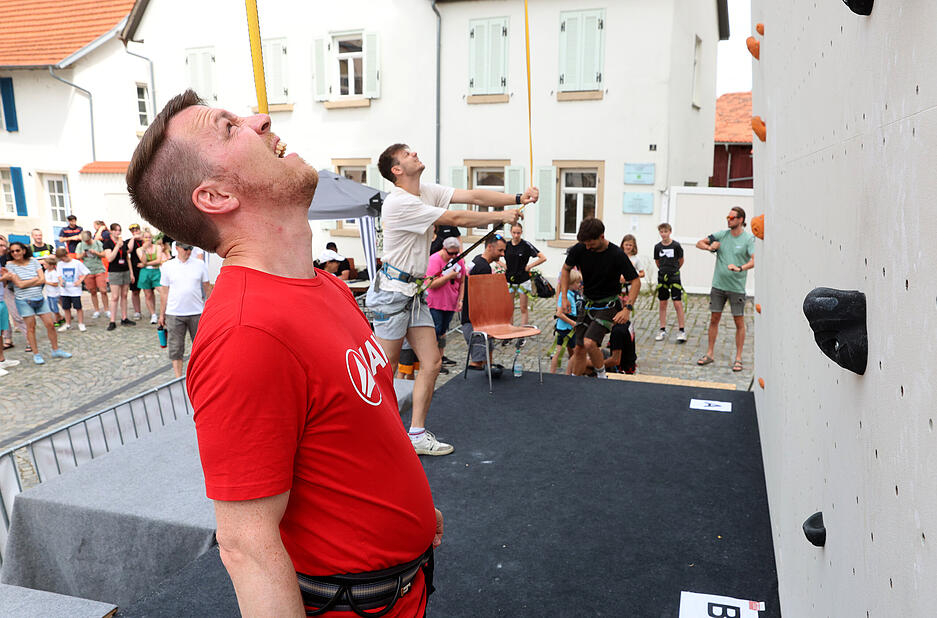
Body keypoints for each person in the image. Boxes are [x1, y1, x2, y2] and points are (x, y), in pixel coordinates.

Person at [126, 90, 443, 616]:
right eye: (229, 127)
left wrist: (410, 506)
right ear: (216, 196)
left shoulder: (326, 286)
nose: (261, 119)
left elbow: (363, 424)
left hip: (404, 586)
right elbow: (246, 545)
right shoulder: (245, 334)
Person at [367, 143, 536, 457]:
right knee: (384, 369)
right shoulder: (399, 202)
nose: (414, 153)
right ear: (396, 170)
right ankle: (368, 436)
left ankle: (416, 434)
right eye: (406, 154)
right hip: (392, 293)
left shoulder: (426, 191)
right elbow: (456, 216)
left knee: (432, 362)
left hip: (414, 293)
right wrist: (502, 216)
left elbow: (473, 196)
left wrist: (516, 198)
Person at [558, 217, 640, 378]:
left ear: (602, 236)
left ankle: (602, 376)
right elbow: (566, 269)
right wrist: (565, 297)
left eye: (591, 243)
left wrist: (627, 309)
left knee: (589, 342)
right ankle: (574, 382)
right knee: (579, 348)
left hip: (609, 305)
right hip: (588, 303)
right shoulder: (580, 248)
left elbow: (636, 281)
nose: (587, 247)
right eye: (585, 243)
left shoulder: (617, 254)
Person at [696, 206, 755, 372]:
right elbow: (699, 243)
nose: (728, 220)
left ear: (741, 220)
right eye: (727, 217)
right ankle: (710, 354)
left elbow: (754, 260)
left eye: (732, 218)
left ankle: (738, 358)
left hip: (736, 288)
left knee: (739, 322)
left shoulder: (748, 239)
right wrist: (710, 247)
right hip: (718, 286)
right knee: (714, 319)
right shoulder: (722, 235)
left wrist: (740, 268)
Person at [0, 242, 72, 364]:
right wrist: (35, 279)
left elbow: (42, 279)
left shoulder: (33, 261)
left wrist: (28, 281)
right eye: (12, 251)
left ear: (23, 251)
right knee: (31, 328)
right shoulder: (10, 265)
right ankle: (36, 354)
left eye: (17, 250)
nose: (15, 253)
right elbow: (20, 284)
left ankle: (56, 350)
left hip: (39, 298)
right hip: (23, 300)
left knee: (50, 324)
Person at [157, 243, 210, 377]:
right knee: (176, 348)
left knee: (201, 348)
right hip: (174, 313)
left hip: (197, 312)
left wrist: (211, 310)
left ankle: (201, 376)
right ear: (177, 248)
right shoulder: (168, 266)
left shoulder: (200, 264)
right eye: (185, 249)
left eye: (190, 249)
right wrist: (162, 315)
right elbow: (164, 293)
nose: (188, 251)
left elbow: (207, 288)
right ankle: (178, 377)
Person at [460, 233, 508, 375]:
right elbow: (482, 298)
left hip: (470, 317)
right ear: (489, 247)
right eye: (500, 250)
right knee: (478, 362)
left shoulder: (477, 260)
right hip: (476, 321)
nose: (503, 254)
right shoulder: (484, 268)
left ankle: (488, 375)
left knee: (486, 354)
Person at [425, 236, 464, 372]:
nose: (453, 256)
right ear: (444, 249)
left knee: (443, 331)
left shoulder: (458, 259)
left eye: (456, 253)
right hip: (435, 303)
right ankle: (434, 361)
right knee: (435, 332)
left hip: (450, 302)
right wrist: (448, 277)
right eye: (451, 253)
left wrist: (461, 299)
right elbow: (431, 284)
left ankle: (441, 358)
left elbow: (462, 281)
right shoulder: (434, 260)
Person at [504, 222, 546, 325]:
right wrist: (502, 264)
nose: (516, 235)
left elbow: (542, 257)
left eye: (518, 233)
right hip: (509, 279)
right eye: (514, 233)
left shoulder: (526, 245)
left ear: (521, 232)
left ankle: (523, 330)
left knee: (523, 307)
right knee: (509, 308)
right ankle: (510, 330)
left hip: (523, 280)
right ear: (510, 232)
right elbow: (494, 255)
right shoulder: (506, 245)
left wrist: (530, 266)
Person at [653, 223, 687, 343]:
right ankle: (662, 329)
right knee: (663, 303)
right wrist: (663, 270)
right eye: (661, 232)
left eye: (665, 231)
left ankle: (681, 330)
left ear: (670, 232)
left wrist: (674, 270)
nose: (663, 234)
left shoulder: (676, 246)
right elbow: (657, 261)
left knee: (677, 303)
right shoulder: (657, 247)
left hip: (674, 277)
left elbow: (681, 260)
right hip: (662, 277)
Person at [103, 223, 136, 330]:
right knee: (115, 297)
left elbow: (127, 258)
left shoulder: (124, 243)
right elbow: (110, 258)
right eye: (115, 230)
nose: (118, 232)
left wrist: (131, 272)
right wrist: (117, 246)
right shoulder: (108, 243)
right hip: (114, 272)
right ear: (111, 231)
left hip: (125, 270)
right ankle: (112, 320)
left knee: (124, 295)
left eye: (119, 230)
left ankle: (124, 317)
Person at [550, 268, 581, 374]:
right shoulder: (566, 296)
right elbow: (559, 313)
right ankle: (568, 374)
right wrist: (573, 323)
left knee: (558, 352)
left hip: (564, 328)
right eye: (577, 282)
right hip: (567, 329)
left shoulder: (571, 294)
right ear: (570, 283)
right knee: (577, 353)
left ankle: (553, 373)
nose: (579, 285)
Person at [0, 235, 26, 349]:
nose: (4, 248)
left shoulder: (10, 256)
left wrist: (7, 276)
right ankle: (7, 339)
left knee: (17, 316)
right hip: (3, 288)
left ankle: (29, 340)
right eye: (1, 245)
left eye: (4, 245)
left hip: (11, 289)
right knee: (3, 317)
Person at [55, 247, 89, 332]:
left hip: (75, 290)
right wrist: (61, 280)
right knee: (66, 308)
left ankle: (81, 323)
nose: (62, 260)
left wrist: (80, 280)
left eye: (63, 258)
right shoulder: (60, 264)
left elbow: (86, 272)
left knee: (78, 307)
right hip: (65, 290)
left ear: (66, 255)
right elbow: (59, 274)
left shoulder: (76, 263)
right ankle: (68, 323)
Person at [77, 230, 108, 318]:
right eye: (85, 241)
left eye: (88, 240)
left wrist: (95, 253)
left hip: (99, 269)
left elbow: (104, 254)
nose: (86, 242)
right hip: (87, 270)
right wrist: (83, 254)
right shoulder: (80, 245)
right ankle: (96, 310)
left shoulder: (97, 243)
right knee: (92, 291)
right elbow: (77, 256)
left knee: (103, 290)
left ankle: (106, 309)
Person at [135, 228, 164, 324]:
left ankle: (163, 313)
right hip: (145, 272)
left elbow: (158, 260)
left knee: (162, 291)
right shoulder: (139, 249)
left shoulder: (157, 247)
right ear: (143, 239)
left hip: (156, 271)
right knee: (148, 295)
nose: (148, 239)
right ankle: (153, 314)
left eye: (149, 237)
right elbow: (143, 261)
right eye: (146, 237)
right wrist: (144, 250)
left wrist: (145, 264)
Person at [127, 223, 145, 320]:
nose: (135, 232)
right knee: (135, 291)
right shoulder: (130, 241)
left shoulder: (145, 239)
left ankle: (153, 312)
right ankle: (137, 312)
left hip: (146, 266)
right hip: (135, 268)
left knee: (149, 291)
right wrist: (133, 238)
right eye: (133, 231)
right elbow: (128, 250)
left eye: (136, 230)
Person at [40, 254, 64, 325]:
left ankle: (56, 319)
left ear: (51, 265)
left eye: (45, 264)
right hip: (49, 293)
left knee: (54, 307)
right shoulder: (46, 272)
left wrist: (45, 282)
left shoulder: (54, 273)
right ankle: (60, 317)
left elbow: (55, 283)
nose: (44, 266)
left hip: (54, 293)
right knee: (50, 307)